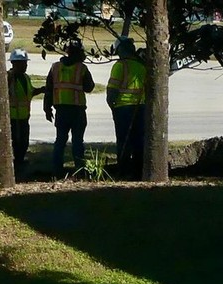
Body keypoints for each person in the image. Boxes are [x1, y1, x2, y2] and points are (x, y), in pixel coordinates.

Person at [44, 41, 96, 175]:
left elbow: (49, 90)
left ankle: (57, 170)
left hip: (61, 110)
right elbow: (89, 87)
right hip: (77, 110)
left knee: (60, 140)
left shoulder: (55, 67)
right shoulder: (81, 68)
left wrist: (47, 108)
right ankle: (79, 170)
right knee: (78, 141)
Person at [106, 36, 148, 180]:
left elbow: (112, 91)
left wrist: (112, 106)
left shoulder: (120, 65)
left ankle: (123, 171)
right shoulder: (142, 65)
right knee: (138, 142)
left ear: (120, 50)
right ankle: (138, 172)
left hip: (123, 108)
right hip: (140, 108)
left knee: (123, 142)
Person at [7, 48, 37, 175]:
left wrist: (40, 90)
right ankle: (15, 163)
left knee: (24, 141)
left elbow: (29, 93)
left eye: (25, 63)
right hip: (13, 116)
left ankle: (20, 160)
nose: (25, 66)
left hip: (24, 116)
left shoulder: (26, 78)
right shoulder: (8, 77)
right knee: (15, 141)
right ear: (14, 63)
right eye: (22, 63)